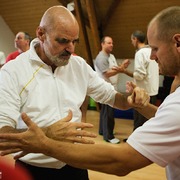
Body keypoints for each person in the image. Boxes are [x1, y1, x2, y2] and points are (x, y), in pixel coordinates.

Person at [0, 5, 179, 180]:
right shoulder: (12, 71)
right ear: (41, 34)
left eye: (74, 41)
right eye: (63, 41)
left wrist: (130, 99)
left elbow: (115, 99)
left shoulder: (78, 65)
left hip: (76, 163)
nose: (71, 49)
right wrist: (47, 134)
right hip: (33, 170)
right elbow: (3, 135)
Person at [121, 30, 159, 130]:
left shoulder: (140, 53)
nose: (131, 43)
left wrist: (124, 71)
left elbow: (140, 75)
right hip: (153, 91)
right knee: (149, 122)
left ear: (135, 39)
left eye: (132, 40)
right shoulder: (152, 51)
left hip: (142, 93)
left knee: (139, 123)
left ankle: (136, 143)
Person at [94, 36, 130, 144]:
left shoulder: (111, 56)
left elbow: (113, 69)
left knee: (105, 111)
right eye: (109, 43)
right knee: (108, 112)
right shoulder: (101, 58)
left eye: (112, 43)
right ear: (102, 44)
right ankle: (108, 136)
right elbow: (107, 73)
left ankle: (102, 131)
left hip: (111, 86)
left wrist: (121, 66)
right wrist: (121, 69)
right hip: (105, 88)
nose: (111, 45)